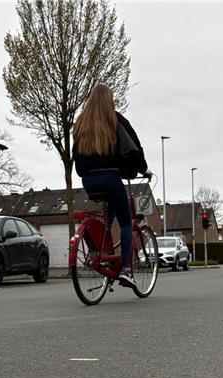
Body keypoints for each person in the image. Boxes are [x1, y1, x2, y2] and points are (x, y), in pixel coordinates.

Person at [73, 84, 151, 288]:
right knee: (126, 223)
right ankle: (126, 269)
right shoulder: (115, 119)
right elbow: (134, 146)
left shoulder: (81, 122)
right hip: (111, 178)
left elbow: (76, 155)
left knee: (110, 212)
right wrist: (143, 170)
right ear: (110, 100)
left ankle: (102, 251)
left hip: (88, 181)